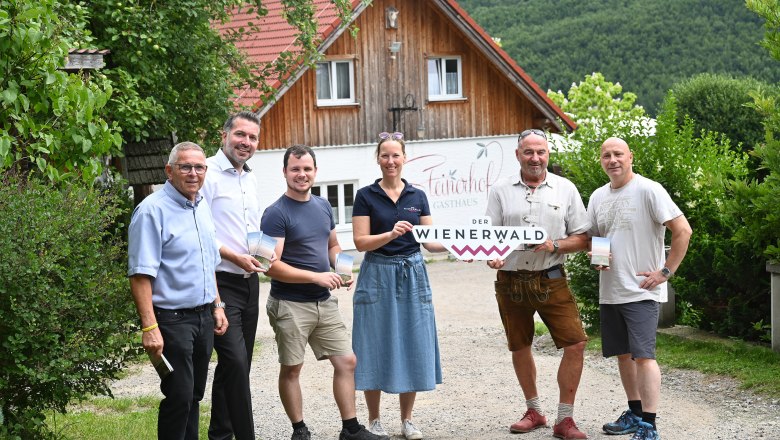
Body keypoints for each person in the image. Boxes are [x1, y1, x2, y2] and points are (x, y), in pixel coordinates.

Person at [261, 145, 388, 440]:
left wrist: (343, 270)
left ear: (315, 172)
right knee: (292, 368)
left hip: (323, 303)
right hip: (290, 304)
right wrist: (317, 277)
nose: (301, 174)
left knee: (347, 361)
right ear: (284, 172)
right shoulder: (275, 213)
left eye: (307, 169)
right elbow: (270, 266)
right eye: (295, 169)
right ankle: (299, 429)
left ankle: (351, 429)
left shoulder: (322, 206)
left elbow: (332, 245)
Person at [484, 129, 590, 439]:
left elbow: (582, 237)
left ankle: (565, 419)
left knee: (576, 343)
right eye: (528, 152)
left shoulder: (565, 189)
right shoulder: (500, 190)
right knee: (519, 345)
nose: (535, 158)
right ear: (518, 155)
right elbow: (490, 236)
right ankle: (534, 411)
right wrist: (492, 256)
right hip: (510, 280)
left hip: (551, 278)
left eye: (540, 152)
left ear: (548, 154)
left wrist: (554, 245)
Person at [588, 137, 691, 440]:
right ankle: (634, 414)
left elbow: (683, 230)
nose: (612, 160)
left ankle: (650, 425)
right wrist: (599, 259)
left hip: (642, 290)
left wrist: (666, 271)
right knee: (623, 354)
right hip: (610, 290)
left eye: (618, 154)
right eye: (606, 155)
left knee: (644, 357)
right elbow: (598, 236)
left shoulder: (649, 189)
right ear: (601, 161)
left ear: (630, 157)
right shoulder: (597, 196)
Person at [128, 142, 228, 440]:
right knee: (179, 395)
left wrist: (217, 305)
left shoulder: (202, 206)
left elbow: (208, 262)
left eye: (199, 167)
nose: (193, 173)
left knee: (194, 394)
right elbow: (139, 275)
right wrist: (149, 326)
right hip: (171, 319)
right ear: (169, 171)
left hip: (203, 318)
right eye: (185, 167)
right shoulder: (151, 211)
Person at [351, 132, 446, 440]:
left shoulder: (417, 196)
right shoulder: (365, 196)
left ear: (405, 158)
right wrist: (390, 235)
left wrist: (462, 247)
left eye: (395, 155)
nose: (390, 161)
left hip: (413, 273)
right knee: (373, 343)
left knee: (414, 342)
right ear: (378, 159)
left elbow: (429, 242)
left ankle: (407, 420)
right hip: (377, 272)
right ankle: (374, 420)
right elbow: (361, 242)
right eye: (384, 156)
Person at [201, 111, 267, 440]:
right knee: (237, 364)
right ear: (223, 135)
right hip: (219, 283)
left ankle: (220, 435)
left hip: (249, 283)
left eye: (253, 137)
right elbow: (200, 232)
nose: (246, 142)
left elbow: (250, 229)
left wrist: (263, 252)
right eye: (240, 134)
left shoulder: (250, 177)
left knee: (236, 367)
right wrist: (234, 256)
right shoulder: (207, 174)